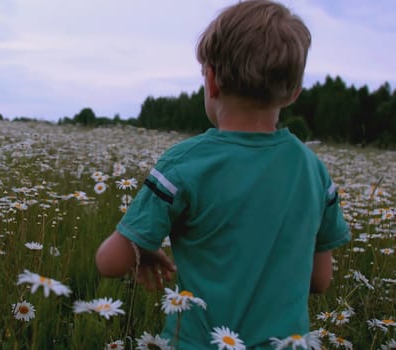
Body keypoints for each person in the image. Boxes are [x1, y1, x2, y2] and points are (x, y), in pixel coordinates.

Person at [95, 0, 351, 348]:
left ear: (211, 81)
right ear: (293, 93)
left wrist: (142, 248)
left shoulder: (184, 164)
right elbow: (320, 280)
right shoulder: (314, 172)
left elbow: (109, 263)